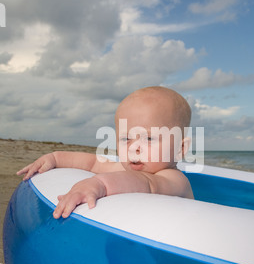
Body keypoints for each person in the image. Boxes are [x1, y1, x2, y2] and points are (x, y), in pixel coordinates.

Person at [17, 86, 194, 219]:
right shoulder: (124, 168)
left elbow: (148, 184)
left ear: (180, 149)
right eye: (126, 139)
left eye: (148, 139)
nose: (135, 147)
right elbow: (93, 163)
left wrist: (99, 184)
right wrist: (55, 158)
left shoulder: (175, 180)